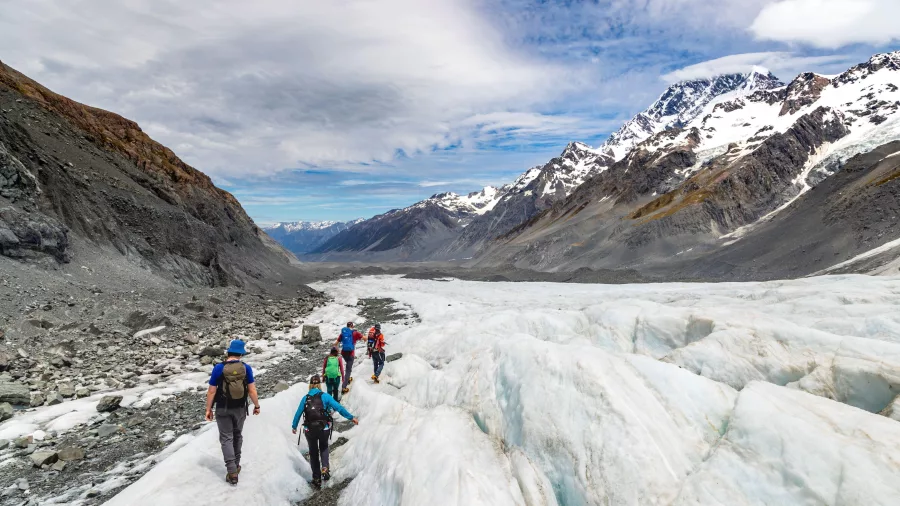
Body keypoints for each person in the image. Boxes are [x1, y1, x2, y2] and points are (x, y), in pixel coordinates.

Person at [205, 339, 260, 485]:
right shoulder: (246, 368)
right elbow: (252, 390)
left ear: (229, 352)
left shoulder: (219, 368)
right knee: (237, 435)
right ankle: (236, 464)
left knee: (226, 438)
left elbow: (211, 391)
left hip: (223, 408)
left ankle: (232, 472)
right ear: (241, 354)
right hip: (240, 408)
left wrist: (208, 409)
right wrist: (257, 406)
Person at [292, 374, 359, 490]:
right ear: (319, 385)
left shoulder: (305, 398)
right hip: (324, 428)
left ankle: (316, 478)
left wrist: (294, 426)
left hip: (309, 429)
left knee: (313, 452)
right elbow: (338, 407)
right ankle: (325, 468)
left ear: (310, 385)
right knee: (323, 447)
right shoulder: (325, 396)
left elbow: (298, 413)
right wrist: (351, 417)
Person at [333, 322, 363, 394]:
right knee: (348, 369)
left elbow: (336, 343)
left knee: (348, 365)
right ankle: (344, 386)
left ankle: (347, 378)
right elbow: (364, 337)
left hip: (343, 353)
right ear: (352, 326)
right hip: (351, 353)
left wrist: (335, 350)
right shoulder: (355, 333)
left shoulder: (343, 333)